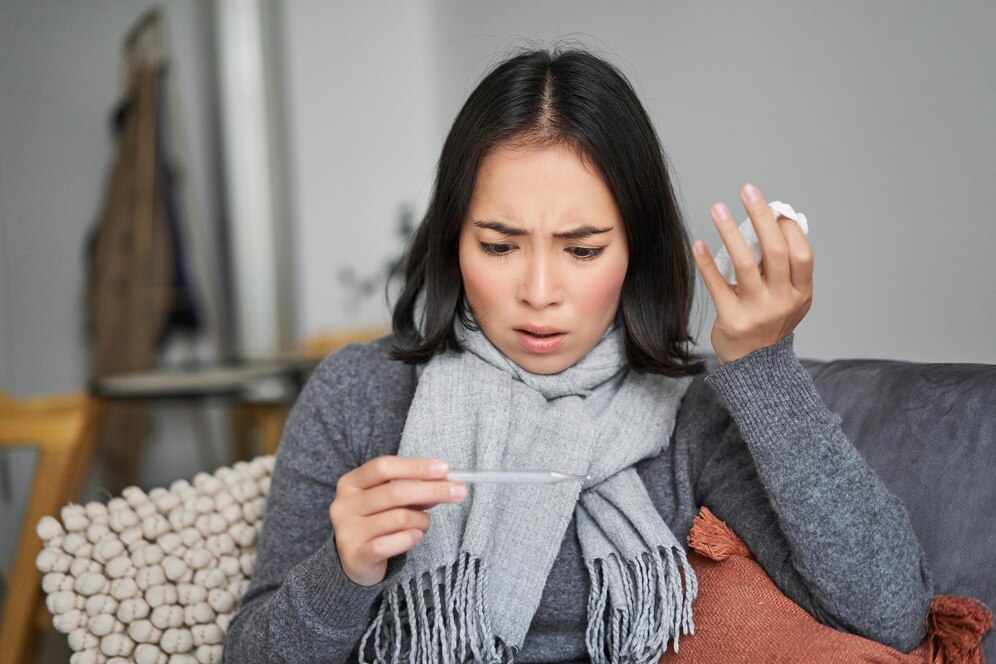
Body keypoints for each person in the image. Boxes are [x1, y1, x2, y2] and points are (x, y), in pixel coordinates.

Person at [223, 46, 933, 663]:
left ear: (636, 250)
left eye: (583, 249)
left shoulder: (691, 415)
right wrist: (344, 571)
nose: (538, 292)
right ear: (453, 241)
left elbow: (891, 614)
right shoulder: (359, 394)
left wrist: (764, 366)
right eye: (499, 246)